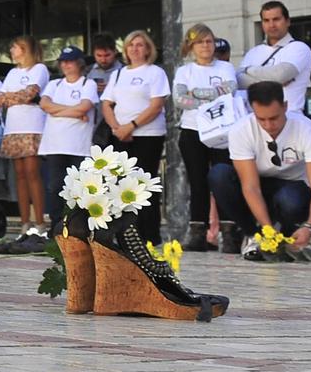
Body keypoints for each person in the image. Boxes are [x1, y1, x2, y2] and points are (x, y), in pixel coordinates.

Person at [222, 80, 311, 248]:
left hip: (293, 186)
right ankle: (252, 233)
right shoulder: (240, 130)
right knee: (220, 175)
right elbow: (250, 186)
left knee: (291, 199)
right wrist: (267, 229)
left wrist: (310, 226)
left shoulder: (308, 130)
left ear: (285, 106)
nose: (268, 125)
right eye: (261, 119)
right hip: (259, 183)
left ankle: (288, 233)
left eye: (274, 118)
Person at [172, 22, 239, 252]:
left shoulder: (224, 67)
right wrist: (211, 98)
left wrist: (197, 95)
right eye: (199, 42)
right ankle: (198, 233)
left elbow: (231, 88)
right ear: (191, 46)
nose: (205, 46)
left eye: (209, 41)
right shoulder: (184, 71)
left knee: (222, 179)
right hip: (193, 130)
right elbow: (179, 99)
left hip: (222, 130)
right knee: (198, 182)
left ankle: (229, 234)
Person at [99, 30, 170, 244]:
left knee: (144, 183)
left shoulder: (155, 72)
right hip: (120, 135)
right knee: (121, 185)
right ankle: (124, 232)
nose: (135, 49)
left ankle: (149, 234)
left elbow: (156, 105)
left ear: (148, 49)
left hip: (147, 135)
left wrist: (131, 126)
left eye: (140, 45)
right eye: (131, 45)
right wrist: (116, 128)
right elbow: (107, 104)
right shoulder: (118, 74)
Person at [0, 37, 50, 235]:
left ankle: (40, 220)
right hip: (13, 127)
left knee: (33, 173)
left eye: (15, 47)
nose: (12, 50)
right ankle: (25, 221)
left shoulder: (39, 69)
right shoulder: (11, 72)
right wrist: (18, 96)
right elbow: (0, 98)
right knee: (19, 175)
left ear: (26, 49)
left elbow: (31, 93)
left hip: (32, 126)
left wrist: (14, 97)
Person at [38, 46, 99, 218]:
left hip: (79, 145)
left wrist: (56, 111)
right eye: (63, 61)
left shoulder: (88, 83)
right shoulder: (54, 84)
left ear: (79, 63)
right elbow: (44, 105)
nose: (66, 65)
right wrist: (75, 111)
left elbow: (85, 107)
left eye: (70, 61)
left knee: (80, 188)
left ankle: (78, 227)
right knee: (55, 187)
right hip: (54, 145)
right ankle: (56, 227)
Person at [239, 0, 311, 116]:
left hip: (290, 118)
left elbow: (281, 75)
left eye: (276, 19)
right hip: (255, 121)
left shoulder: (299, 48)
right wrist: (275, 82)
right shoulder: (252, 53)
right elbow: (239, 82)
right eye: (266, 20)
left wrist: (248, 70)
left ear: (287, 21)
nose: (271, 25)